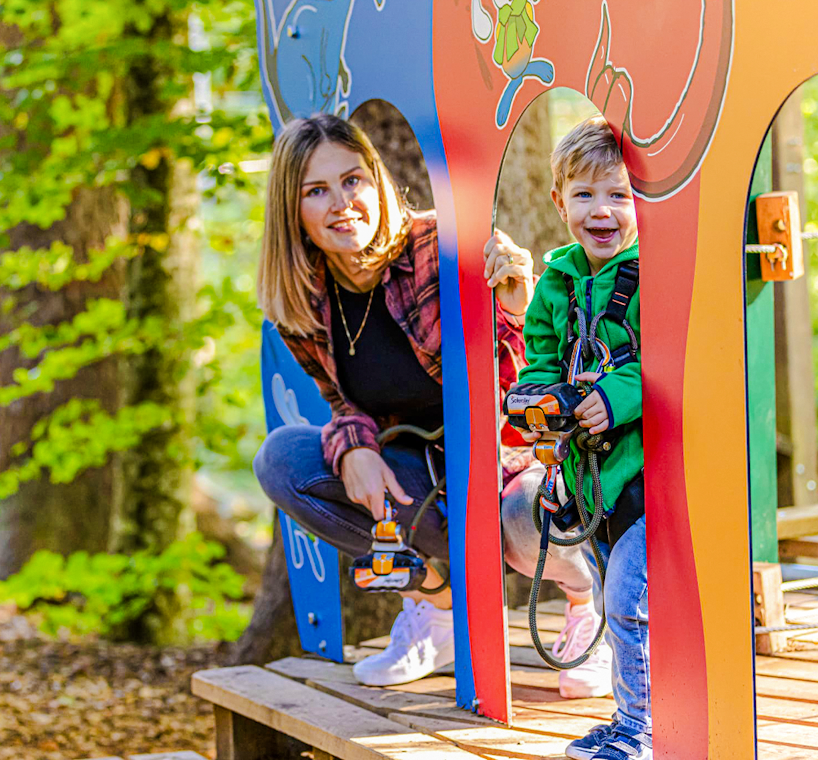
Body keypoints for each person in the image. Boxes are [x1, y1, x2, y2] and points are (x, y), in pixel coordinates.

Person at [252, 113, 612, 694]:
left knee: (521, 522)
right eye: (316, 191)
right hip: (423, 477)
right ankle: (441, 610)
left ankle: (586, 609)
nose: (342, 203)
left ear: (375, 180)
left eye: (352, 181)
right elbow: (342, 404)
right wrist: (353, 450)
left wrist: (518, 308)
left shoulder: (439, 244)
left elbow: (532, 372)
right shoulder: (301, 303)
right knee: (283, 460)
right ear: (291, 210)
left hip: (509, 461)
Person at [508, 116, 648, 759]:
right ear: (559, 201)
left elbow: (670, 359)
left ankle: (641, 726)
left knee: (627, 598)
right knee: (625, 594)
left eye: (619, 195)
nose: (603, 211)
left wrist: (615, 400)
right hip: (597, 480)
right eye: (586, 195)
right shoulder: (557, 284)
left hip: (653, 475)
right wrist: (538, 396)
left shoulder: (651, 277)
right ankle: (633, 716)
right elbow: (540, 355)